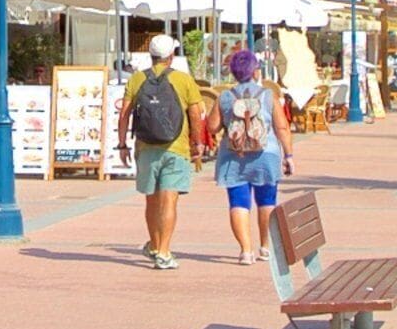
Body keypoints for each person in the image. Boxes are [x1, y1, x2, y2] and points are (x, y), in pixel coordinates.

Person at [122, 35, 207, 270]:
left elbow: (124, 114)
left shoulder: (137, 79)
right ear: (171, 56)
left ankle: (155, 246)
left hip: (146, 146)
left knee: (151, 200)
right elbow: (195, 116)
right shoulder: (184, 80)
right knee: (169, 200)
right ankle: (164, 251)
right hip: (176, 147)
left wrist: (122, 144)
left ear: (151, 55)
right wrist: (197, 144)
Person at [211, 46, 292, 266]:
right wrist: (289, 155)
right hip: (266, 154)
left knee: (239, 203)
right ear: (256, 71)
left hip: (233, 155)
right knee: (267, 201)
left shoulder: (225, 97)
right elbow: (282, 128)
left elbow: (212, 126)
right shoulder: (268, 95)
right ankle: (265, 247)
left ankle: (245, 251)